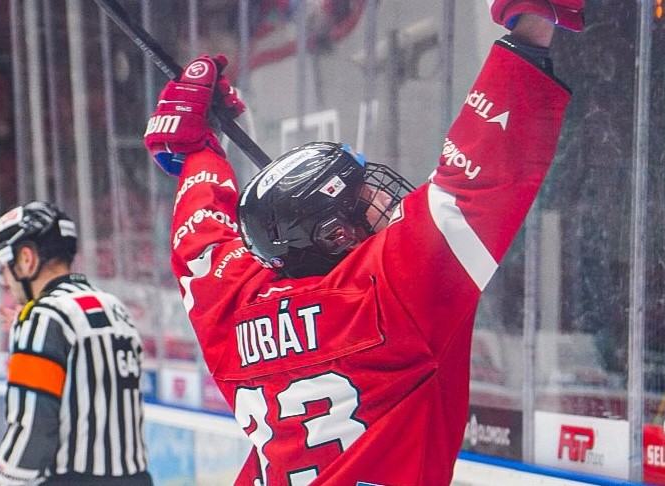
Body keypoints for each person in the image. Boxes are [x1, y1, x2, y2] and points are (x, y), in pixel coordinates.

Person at [144, 1, 582, 484]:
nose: (386, 199)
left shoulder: (235, 310)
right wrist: (531, 24)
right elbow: (476, 178)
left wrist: (197, 152)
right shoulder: (392, 290)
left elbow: (201, 244)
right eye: (366, 196)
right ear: (337, 234)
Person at [0, 201, 152, 486]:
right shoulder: (114, 307)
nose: (6, 280)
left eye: (7, 268)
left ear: (26, 259)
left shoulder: (43, 317)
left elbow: (33, 428)